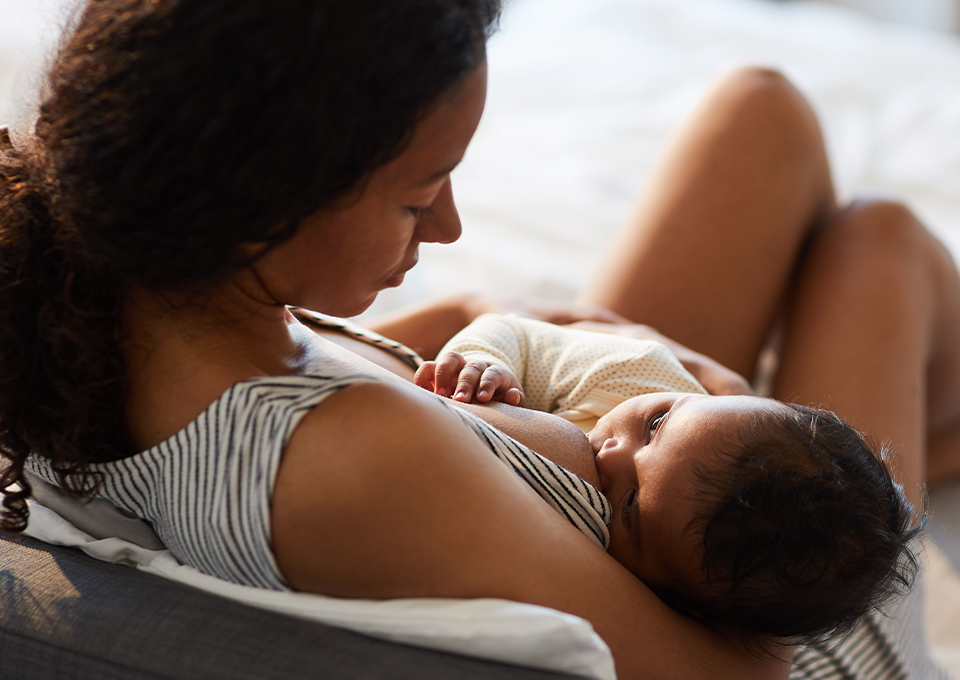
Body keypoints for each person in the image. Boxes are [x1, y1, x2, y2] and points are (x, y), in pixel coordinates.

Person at [0, 1, 956, 678]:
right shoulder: (356, 459)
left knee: (762, 109)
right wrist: (715, 392)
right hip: (808, 615)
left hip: (611, 449)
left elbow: (446, 340)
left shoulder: (126, 293)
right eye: (420, 194)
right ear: (270, 197)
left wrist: (515, 340)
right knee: (883, 239)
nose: (449, 226)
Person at [413, 312, 920, 645]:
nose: (610, 455)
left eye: (632, 505)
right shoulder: (640, 373)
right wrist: (488, 360)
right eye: (655, 425)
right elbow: (516, 331)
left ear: (673, 598)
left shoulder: (652, 598)